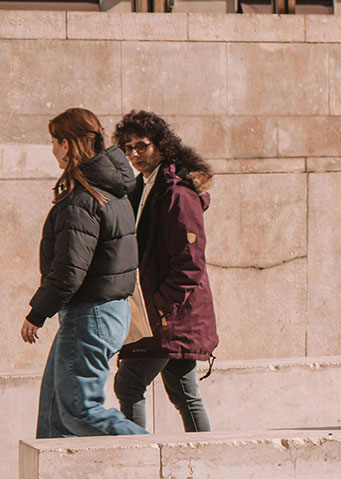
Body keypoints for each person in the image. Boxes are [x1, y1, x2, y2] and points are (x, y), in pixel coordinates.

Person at [20, 108, 147, 438]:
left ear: (66, 144)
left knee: (80, 412)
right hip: (105, 312)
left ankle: (157, 453)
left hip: (91, 314)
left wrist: (37, 313)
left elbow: (69, 271)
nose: (52, 150)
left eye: (54, 142)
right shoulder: (112, 191)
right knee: (54, 417)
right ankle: (54, 478)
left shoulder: (82, 198)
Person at [112, 111, 218, 432]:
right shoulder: (145, 187)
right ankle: (204, 457)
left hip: (169, 316)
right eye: (128, 148)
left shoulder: (176, 193)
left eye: (141, 146)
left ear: (161, 145)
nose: (134, 154)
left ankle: (136, 457)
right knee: (184, 394)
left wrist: (160, 305)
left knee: (129, 385)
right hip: (164, 315)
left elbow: (190, 263)